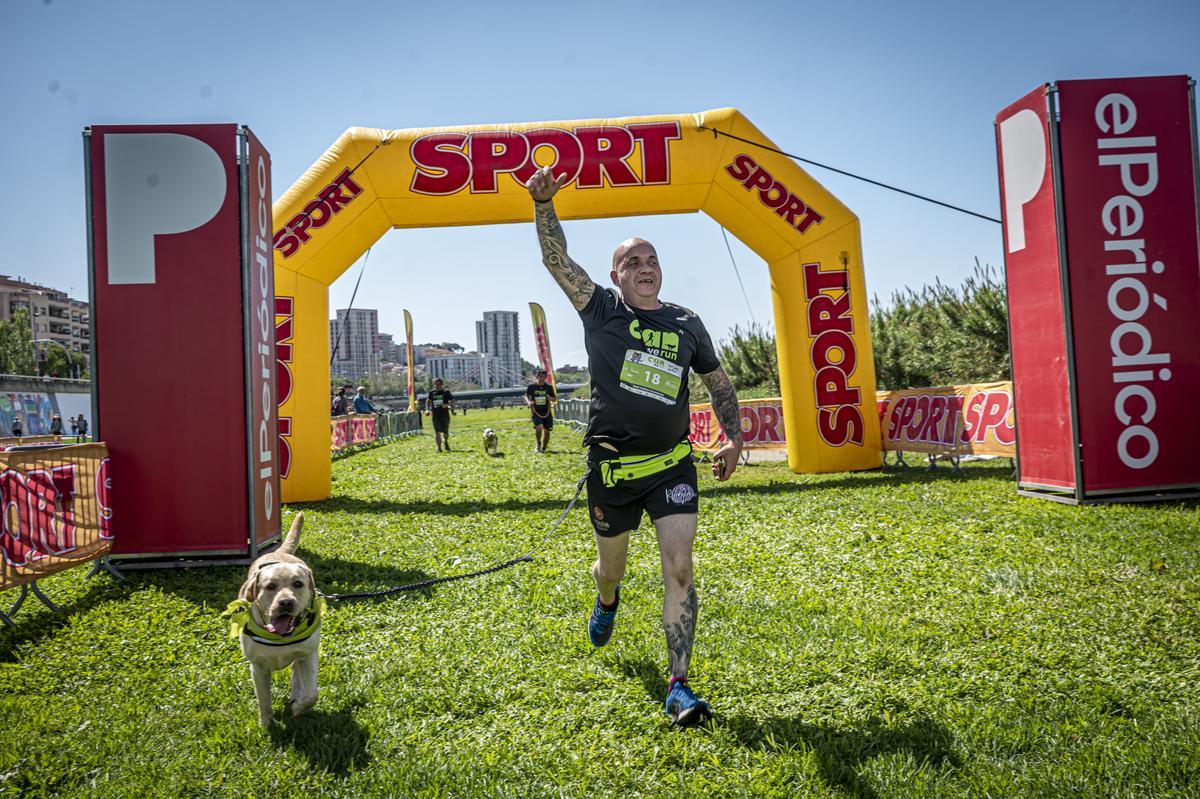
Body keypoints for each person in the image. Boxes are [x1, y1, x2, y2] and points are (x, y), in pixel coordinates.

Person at [525, 166, 743, 727]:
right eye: (632, 262)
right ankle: (606, 601)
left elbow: (717, 381)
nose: (644, 269)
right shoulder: (602, 311)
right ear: (616, 275)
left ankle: (679, 685)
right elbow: (557, 261)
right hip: (614, 473)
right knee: (610, 566)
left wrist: (735, 437)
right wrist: (544, 204)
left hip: (673, 466)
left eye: (652, 260)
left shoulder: (686, 323)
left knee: (680, 570)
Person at [524, 369, 557, 453]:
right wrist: (529, 402)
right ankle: (538, 444)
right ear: (537, 376)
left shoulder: (549, 387)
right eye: (540, 377)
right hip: (536, 411)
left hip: (547, 412)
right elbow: (526, 396)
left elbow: (554, 399)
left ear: (546, 377)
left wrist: (550, 398)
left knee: (547, 431)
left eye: (544, 377)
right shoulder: (532, 387)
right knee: (539, 427)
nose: (542, 379)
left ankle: (544, 446)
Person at [424, 378, 455, 452]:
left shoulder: (446, 392)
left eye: (439, 385)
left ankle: (446, 441)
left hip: (445, 414)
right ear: (434, 385)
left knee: (445, 431)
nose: (438, 386)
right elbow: (428, 401)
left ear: (442, 385)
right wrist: (427, 409)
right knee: (437, 432)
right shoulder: (432, 392)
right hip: (435, 415)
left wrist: (447, 405)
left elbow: (453, 401)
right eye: (436, 384)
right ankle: (439, 448)